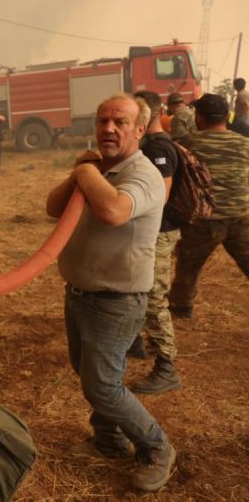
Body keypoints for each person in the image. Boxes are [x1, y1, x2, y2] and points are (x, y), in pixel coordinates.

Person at [45, 93, 175, 492]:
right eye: (103, 121)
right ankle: (108, 441)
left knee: (101, 384)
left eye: (120, 122)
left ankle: (157, 447)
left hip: (116, 300)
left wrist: (86, 172)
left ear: (140, 130)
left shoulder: (144, 174)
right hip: (81, 293)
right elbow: (53, 207)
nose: (109, 129)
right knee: (89, 373)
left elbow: (114, 211)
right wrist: (80, 173)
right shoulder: (101, 170)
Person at [168, 94, 249, 318]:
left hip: (204, 219)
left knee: (189, 265)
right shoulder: (244, 143)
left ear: (199, 118)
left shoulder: (189, 143)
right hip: (241, 214)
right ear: (227, 116)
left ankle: (181, 307)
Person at [127, 91, 182, 394]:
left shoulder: (159, 148)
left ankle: (166, 366)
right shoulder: (150, 145)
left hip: (159, 233)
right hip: (152, 232)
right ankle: (135, 343)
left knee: (154, 296)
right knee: (137, 287)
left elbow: (160, 196)